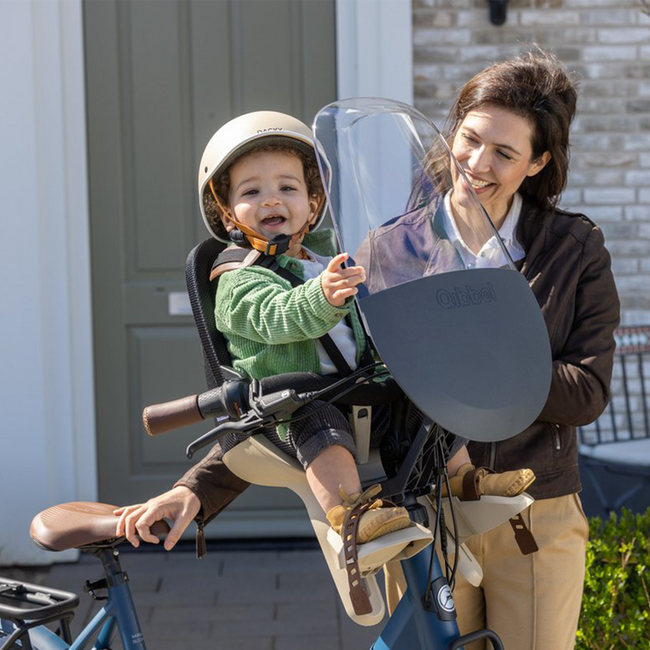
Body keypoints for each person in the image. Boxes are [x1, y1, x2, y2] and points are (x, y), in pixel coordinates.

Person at [115, 112, 531, 556]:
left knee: (429, 398)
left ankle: (464, 479)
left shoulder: (331, 251)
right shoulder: (236, 277)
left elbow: (385, 288)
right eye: (251, 191)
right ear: (227, 212)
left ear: (314, 204)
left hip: (361, 387)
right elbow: (276, 316)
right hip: (296, 401)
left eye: (287, 188)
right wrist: (324, 297)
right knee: (321, 428)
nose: (270, 199)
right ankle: (352, 513)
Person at [359, 51, 620, 650]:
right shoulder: (389, 250)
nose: (477, 164)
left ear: (538, 163)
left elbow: (588, 391)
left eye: (504, 153)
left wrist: (483, 354)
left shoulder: (574, 248)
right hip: (425, 511)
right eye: (469, 140)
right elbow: (345, 378)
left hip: (533, 507)